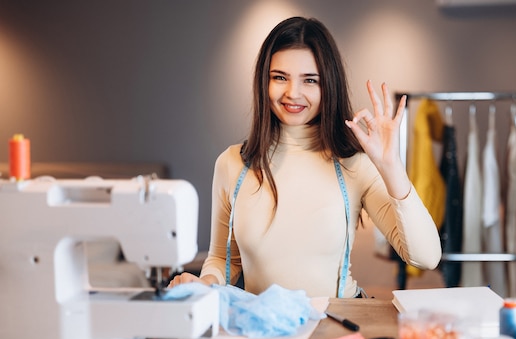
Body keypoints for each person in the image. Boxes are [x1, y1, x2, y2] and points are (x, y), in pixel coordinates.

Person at [168, 16, 441, 298]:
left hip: (337, 327)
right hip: (262, 330)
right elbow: (225, 261)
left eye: (310, 80)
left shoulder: (354, 164)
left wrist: (391, 167)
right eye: (280, 77)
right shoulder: (232, 164)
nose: (292, 93)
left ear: (328, 87)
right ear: (264, 81)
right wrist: (205, 282)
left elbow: (425, 257)